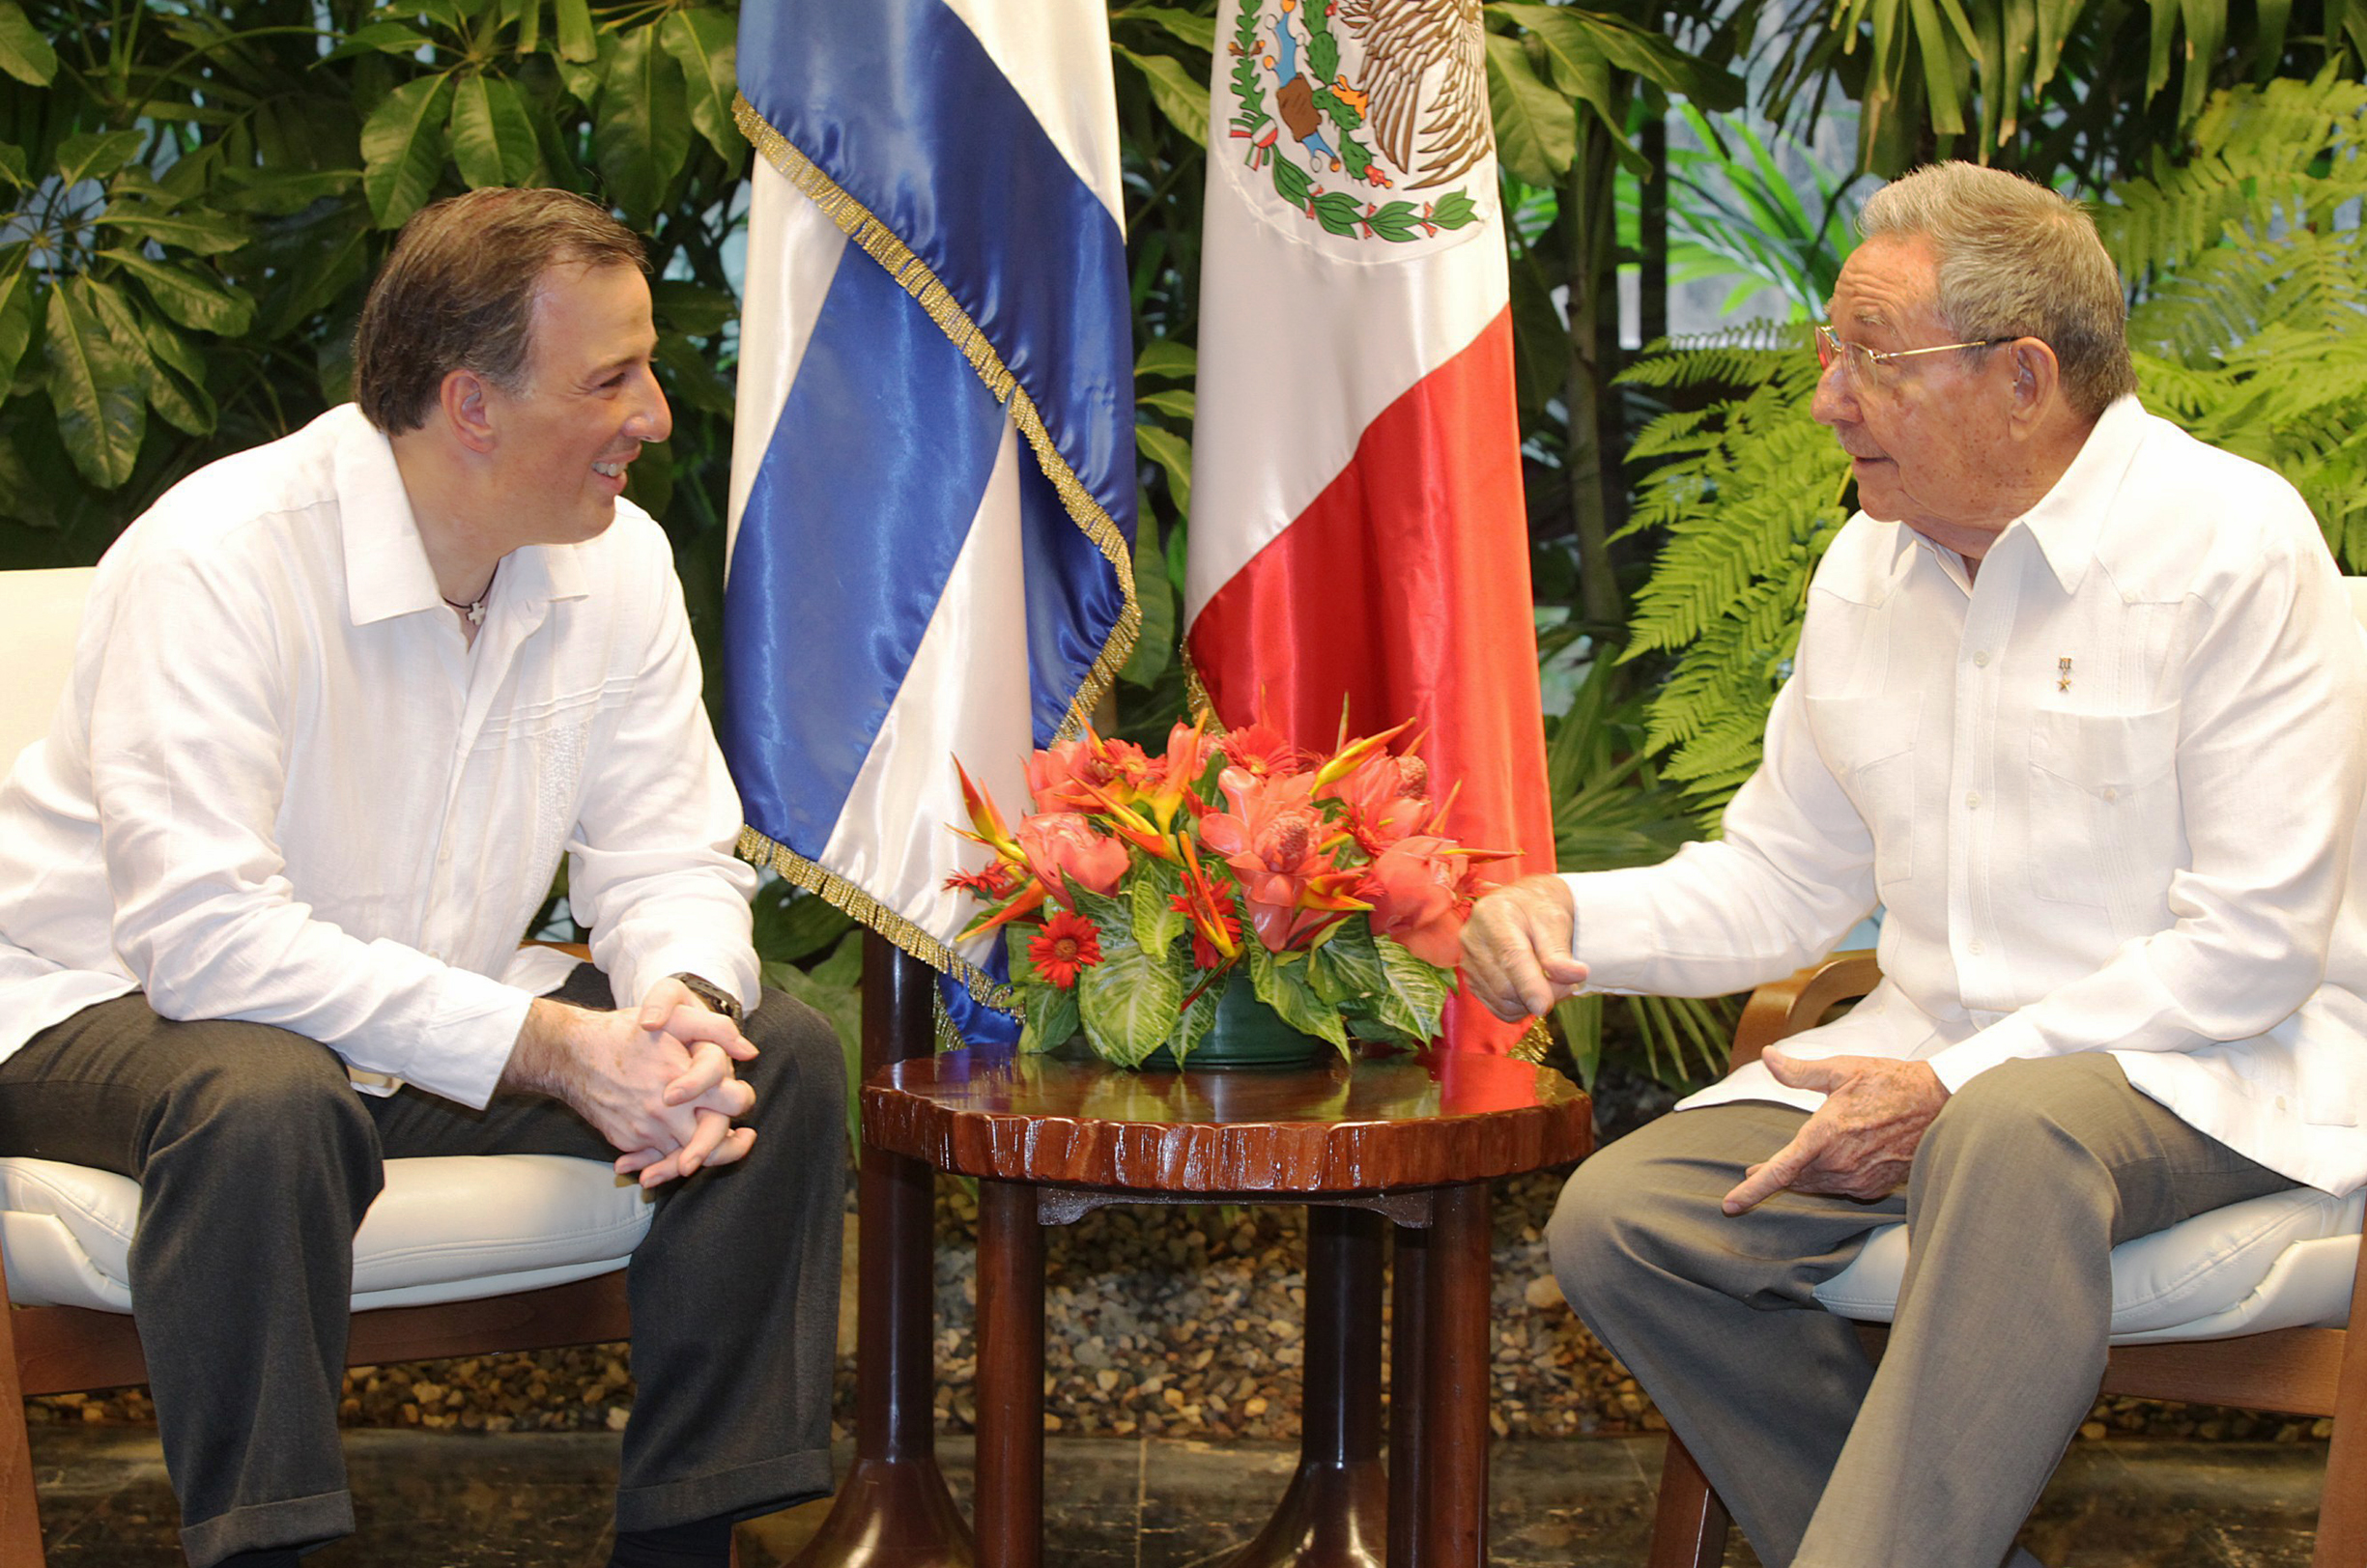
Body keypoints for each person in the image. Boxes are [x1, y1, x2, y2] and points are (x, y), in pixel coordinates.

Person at [1463, 160, 2367, 1568]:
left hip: (2212, 1063)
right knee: (1628, 1221)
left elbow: (2251, 944)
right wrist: (1559, 909)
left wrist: (1948, 1088)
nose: (1826, 398)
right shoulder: (1864, 573)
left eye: (1871, 361)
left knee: (2010, 1134)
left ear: (2023, 378)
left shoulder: (2228, 547)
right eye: (1831, 356)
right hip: (1931, 1056)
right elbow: (1777, 883)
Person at [0, 188, 846, 1568]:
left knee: (775, 1057)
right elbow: (205, 944)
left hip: (406, 1031)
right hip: (92, 1006)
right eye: (612, 377)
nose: (656, 415)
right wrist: (558, 1048)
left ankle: (687, 1548)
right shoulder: (220, 558)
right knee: (265, 1094)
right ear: (471, 404)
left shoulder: (616, 562)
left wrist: (678, 1010)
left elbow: (664, 849)